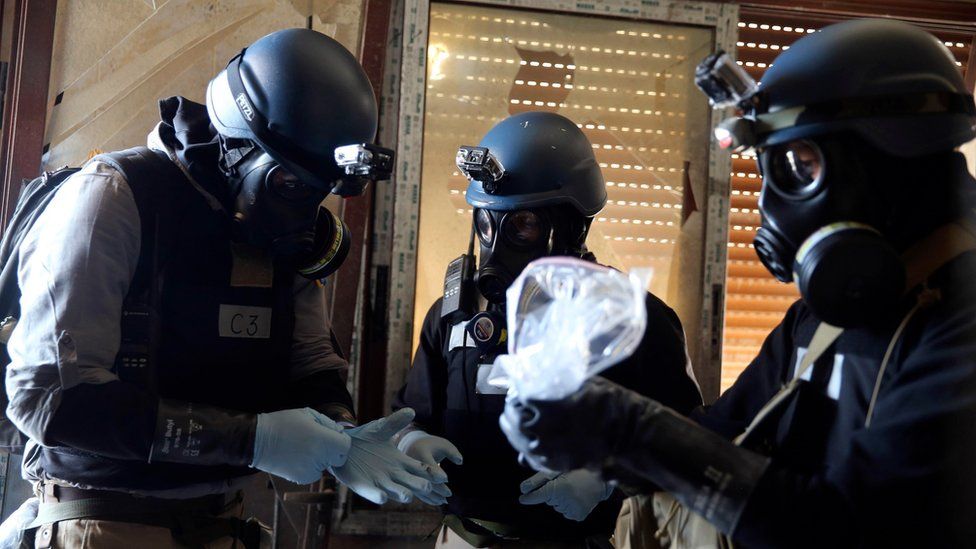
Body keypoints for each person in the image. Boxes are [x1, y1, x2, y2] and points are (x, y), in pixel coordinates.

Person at [500, 18, 976, 549]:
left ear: (896, 160)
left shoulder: (958, 327)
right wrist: (600, 441)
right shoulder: (821, 318)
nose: (771, 209)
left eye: (801, 165)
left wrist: (634, 433)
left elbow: (847, 528)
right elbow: (720, 435)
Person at [4, 28, 440, 548]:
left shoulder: (269, 228)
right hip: (106, 520)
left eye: (318, 194)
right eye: (290, 186)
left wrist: (344, 436)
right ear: (237, 147)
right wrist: (253, 440)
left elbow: (310, 363)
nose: (303, 216)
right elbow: (49, 399)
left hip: (223, 521)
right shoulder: (117, 197)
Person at [393, 112, 703, 548]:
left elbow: (688, 448)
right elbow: (412, 414)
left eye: (523, 225)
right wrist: (411, 442)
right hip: (465, 538)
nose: (496, 247)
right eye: (486, 223)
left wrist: (606, 480)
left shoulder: (633, 321)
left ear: (573, 225)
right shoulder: (454, 315)